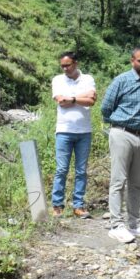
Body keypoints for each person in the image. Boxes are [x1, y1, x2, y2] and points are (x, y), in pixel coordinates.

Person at [101, 46, 140, 243]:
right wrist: (120, 123)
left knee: (136, 183)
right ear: (132, 61)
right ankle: (116, 225)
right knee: (118, 180)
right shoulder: (121, 80)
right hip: (122, 134)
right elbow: (106, 108)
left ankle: (135, 224)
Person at [51, 52, 96, 219]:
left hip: (84, 131)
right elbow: (61, 101)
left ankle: (78, 205)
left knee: (81, 170)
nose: (65, 68)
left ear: (75, 63)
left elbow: (91, 101)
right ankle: (57, 205)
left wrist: (72, 99)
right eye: (62, 65)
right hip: (64, 130)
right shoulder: (57, 80)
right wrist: (80, 98)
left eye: (68, 65)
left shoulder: (88, 79)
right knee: (61, 169)